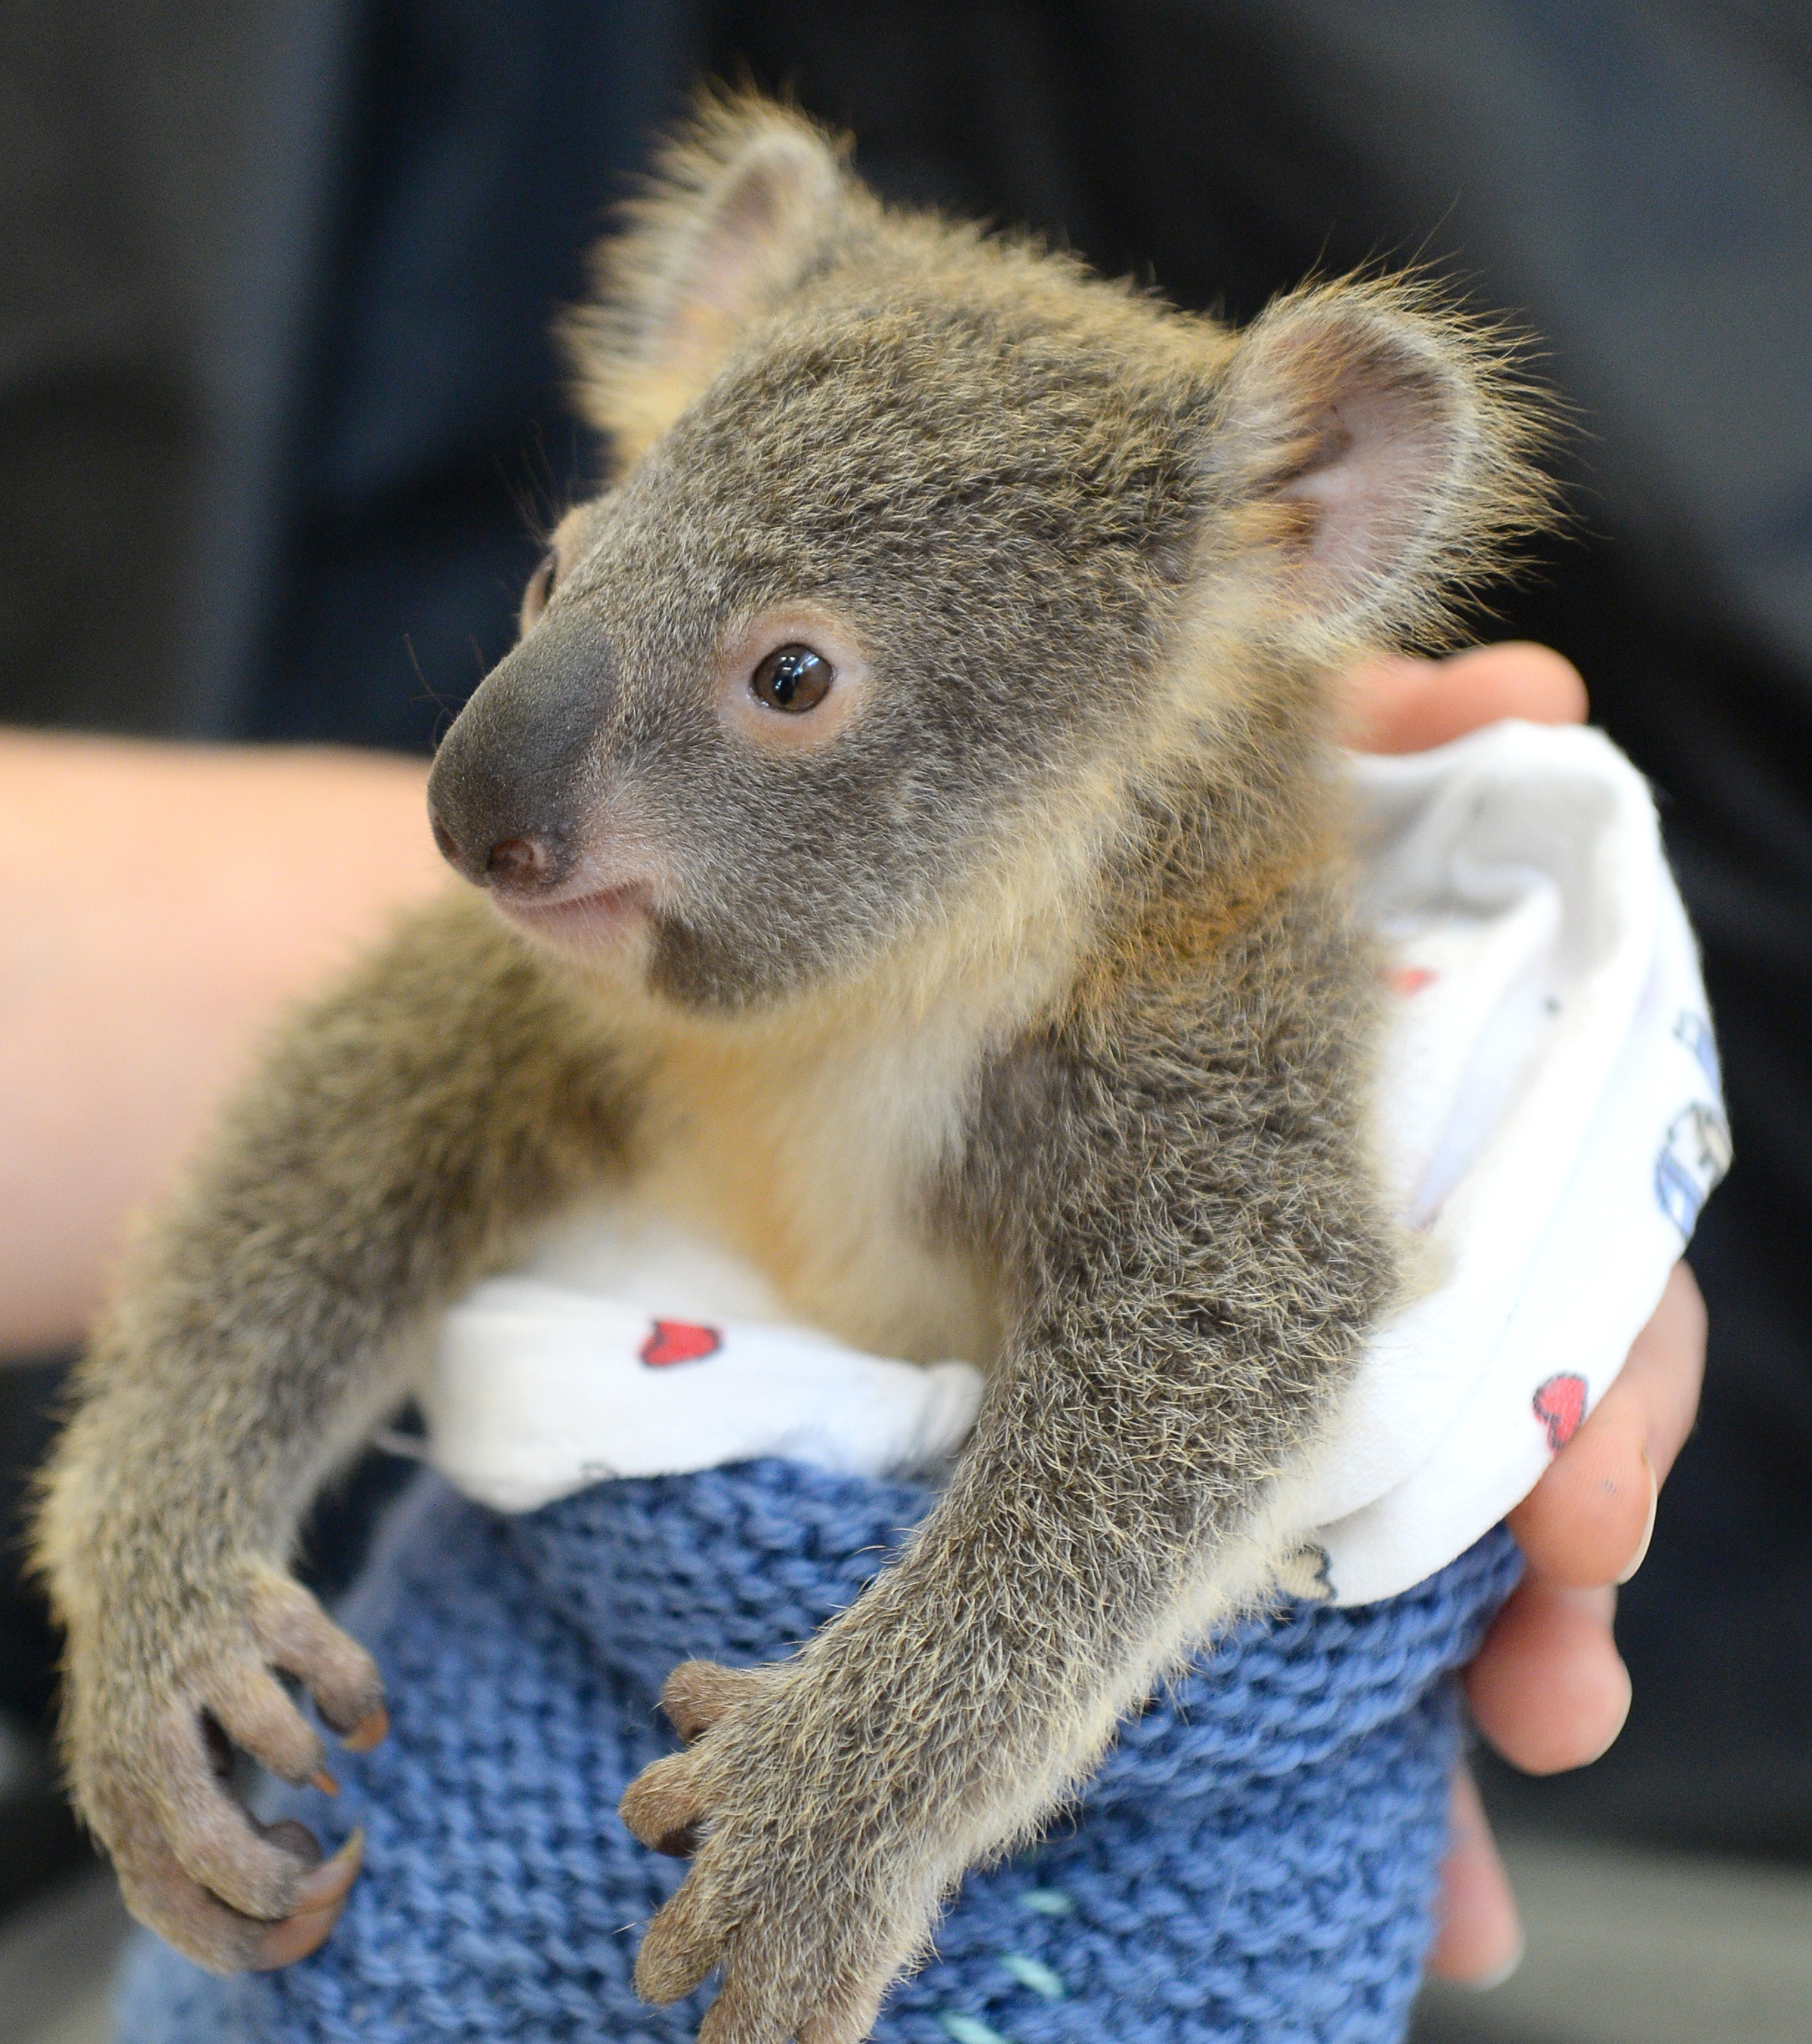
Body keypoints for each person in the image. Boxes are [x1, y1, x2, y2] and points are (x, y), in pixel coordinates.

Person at [0, 0, 1797, 1904]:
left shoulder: (1188, 1009)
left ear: (1304, 516)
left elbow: (1227, 1356)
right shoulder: (583, 971)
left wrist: (881, 1768)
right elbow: (334, 1162)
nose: (483, 806)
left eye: (790, 680)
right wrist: (162, 1557)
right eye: (564, 582)